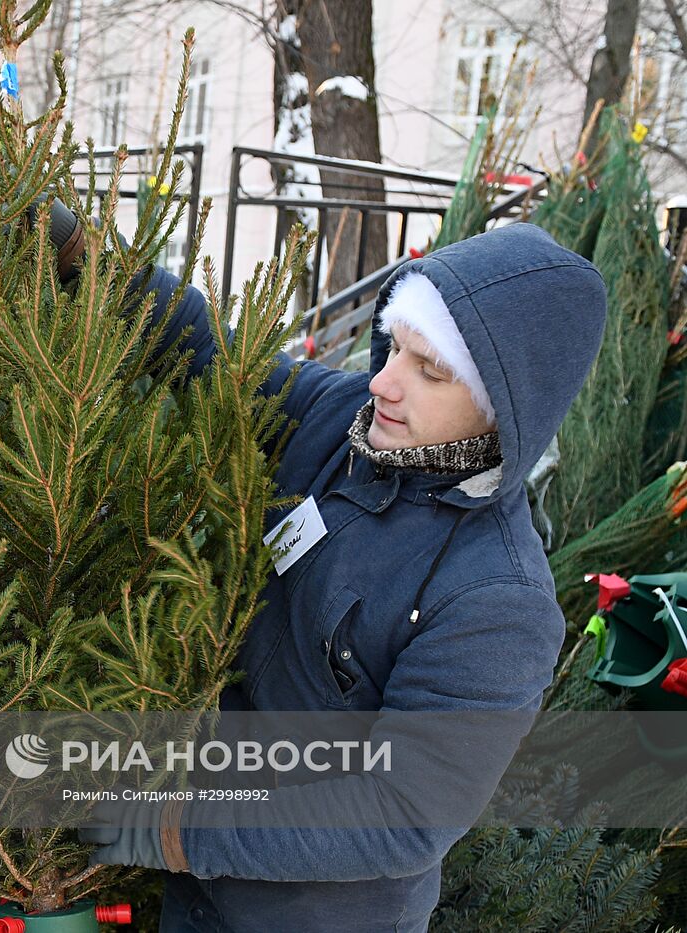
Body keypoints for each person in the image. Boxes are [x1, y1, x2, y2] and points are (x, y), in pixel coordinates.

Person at [78, 222, 608, 931]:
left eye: (430, 368)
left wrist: (178, 829)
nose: (384, 380)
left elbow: (399, 812)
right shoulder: (346, 427)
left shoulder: (497, 602)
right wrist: (93, 261)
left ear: (501, 407)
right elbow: (216, 358)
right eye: (395, 345)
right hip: (200, 896)